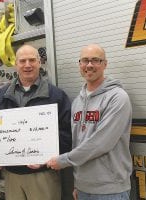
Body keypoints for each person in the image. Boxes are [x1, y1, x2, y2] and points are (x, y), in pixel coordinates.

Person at [47, 44, 133, 200]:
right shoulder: (77, 102)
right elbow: (77, 142)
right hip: (83, 188)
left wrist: (63, 160)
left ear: (105, 64)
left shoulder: (118, 97)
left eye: (96, 60)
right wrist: (78, 184)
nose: (89, 65)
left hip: (111, 190)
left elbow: (101, 143)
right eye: (85, 60)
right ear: (79, 64)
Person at [0, 44, 72, 200]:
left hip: (43, 174)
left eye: (32, 60)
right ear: (16, 64)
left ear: (39, 63)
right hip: (12, 175)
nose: (27, 65)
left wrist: (45, 157)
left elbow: (67, 133)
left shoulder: (56, 96)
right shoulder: (1, 96)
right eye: (22, 61)